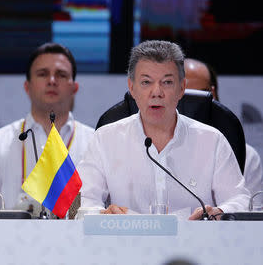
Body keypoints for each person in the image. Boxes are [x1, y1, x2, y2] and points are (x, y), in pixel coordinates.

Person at [79, 40, 249, 220]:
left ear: (182, 88)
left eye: (167, 82)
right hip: (126, 244)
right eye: (146, 82)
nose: (156, 92)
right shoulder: (105, 140)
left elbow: (240, 200)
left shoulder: (211, 140)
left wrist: (220, 212)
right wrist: (102, 214)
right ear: (132, 88)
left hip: (197, 244)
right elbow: (82, 203)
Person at [0, 43, 94, 215]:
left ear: (74, 88)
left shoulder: (95, 142)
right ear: (27, 87)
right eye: (43, 74)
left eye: (61, 75)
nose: (52, 81)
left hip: (78, 239)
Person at [185, 58, 263, 195]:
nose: (190, 105)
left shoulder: (244, 155)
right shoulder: (146, 149)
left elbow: (251, 212)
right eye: (183, 96)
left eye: (198, 96)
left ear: (212, 95)